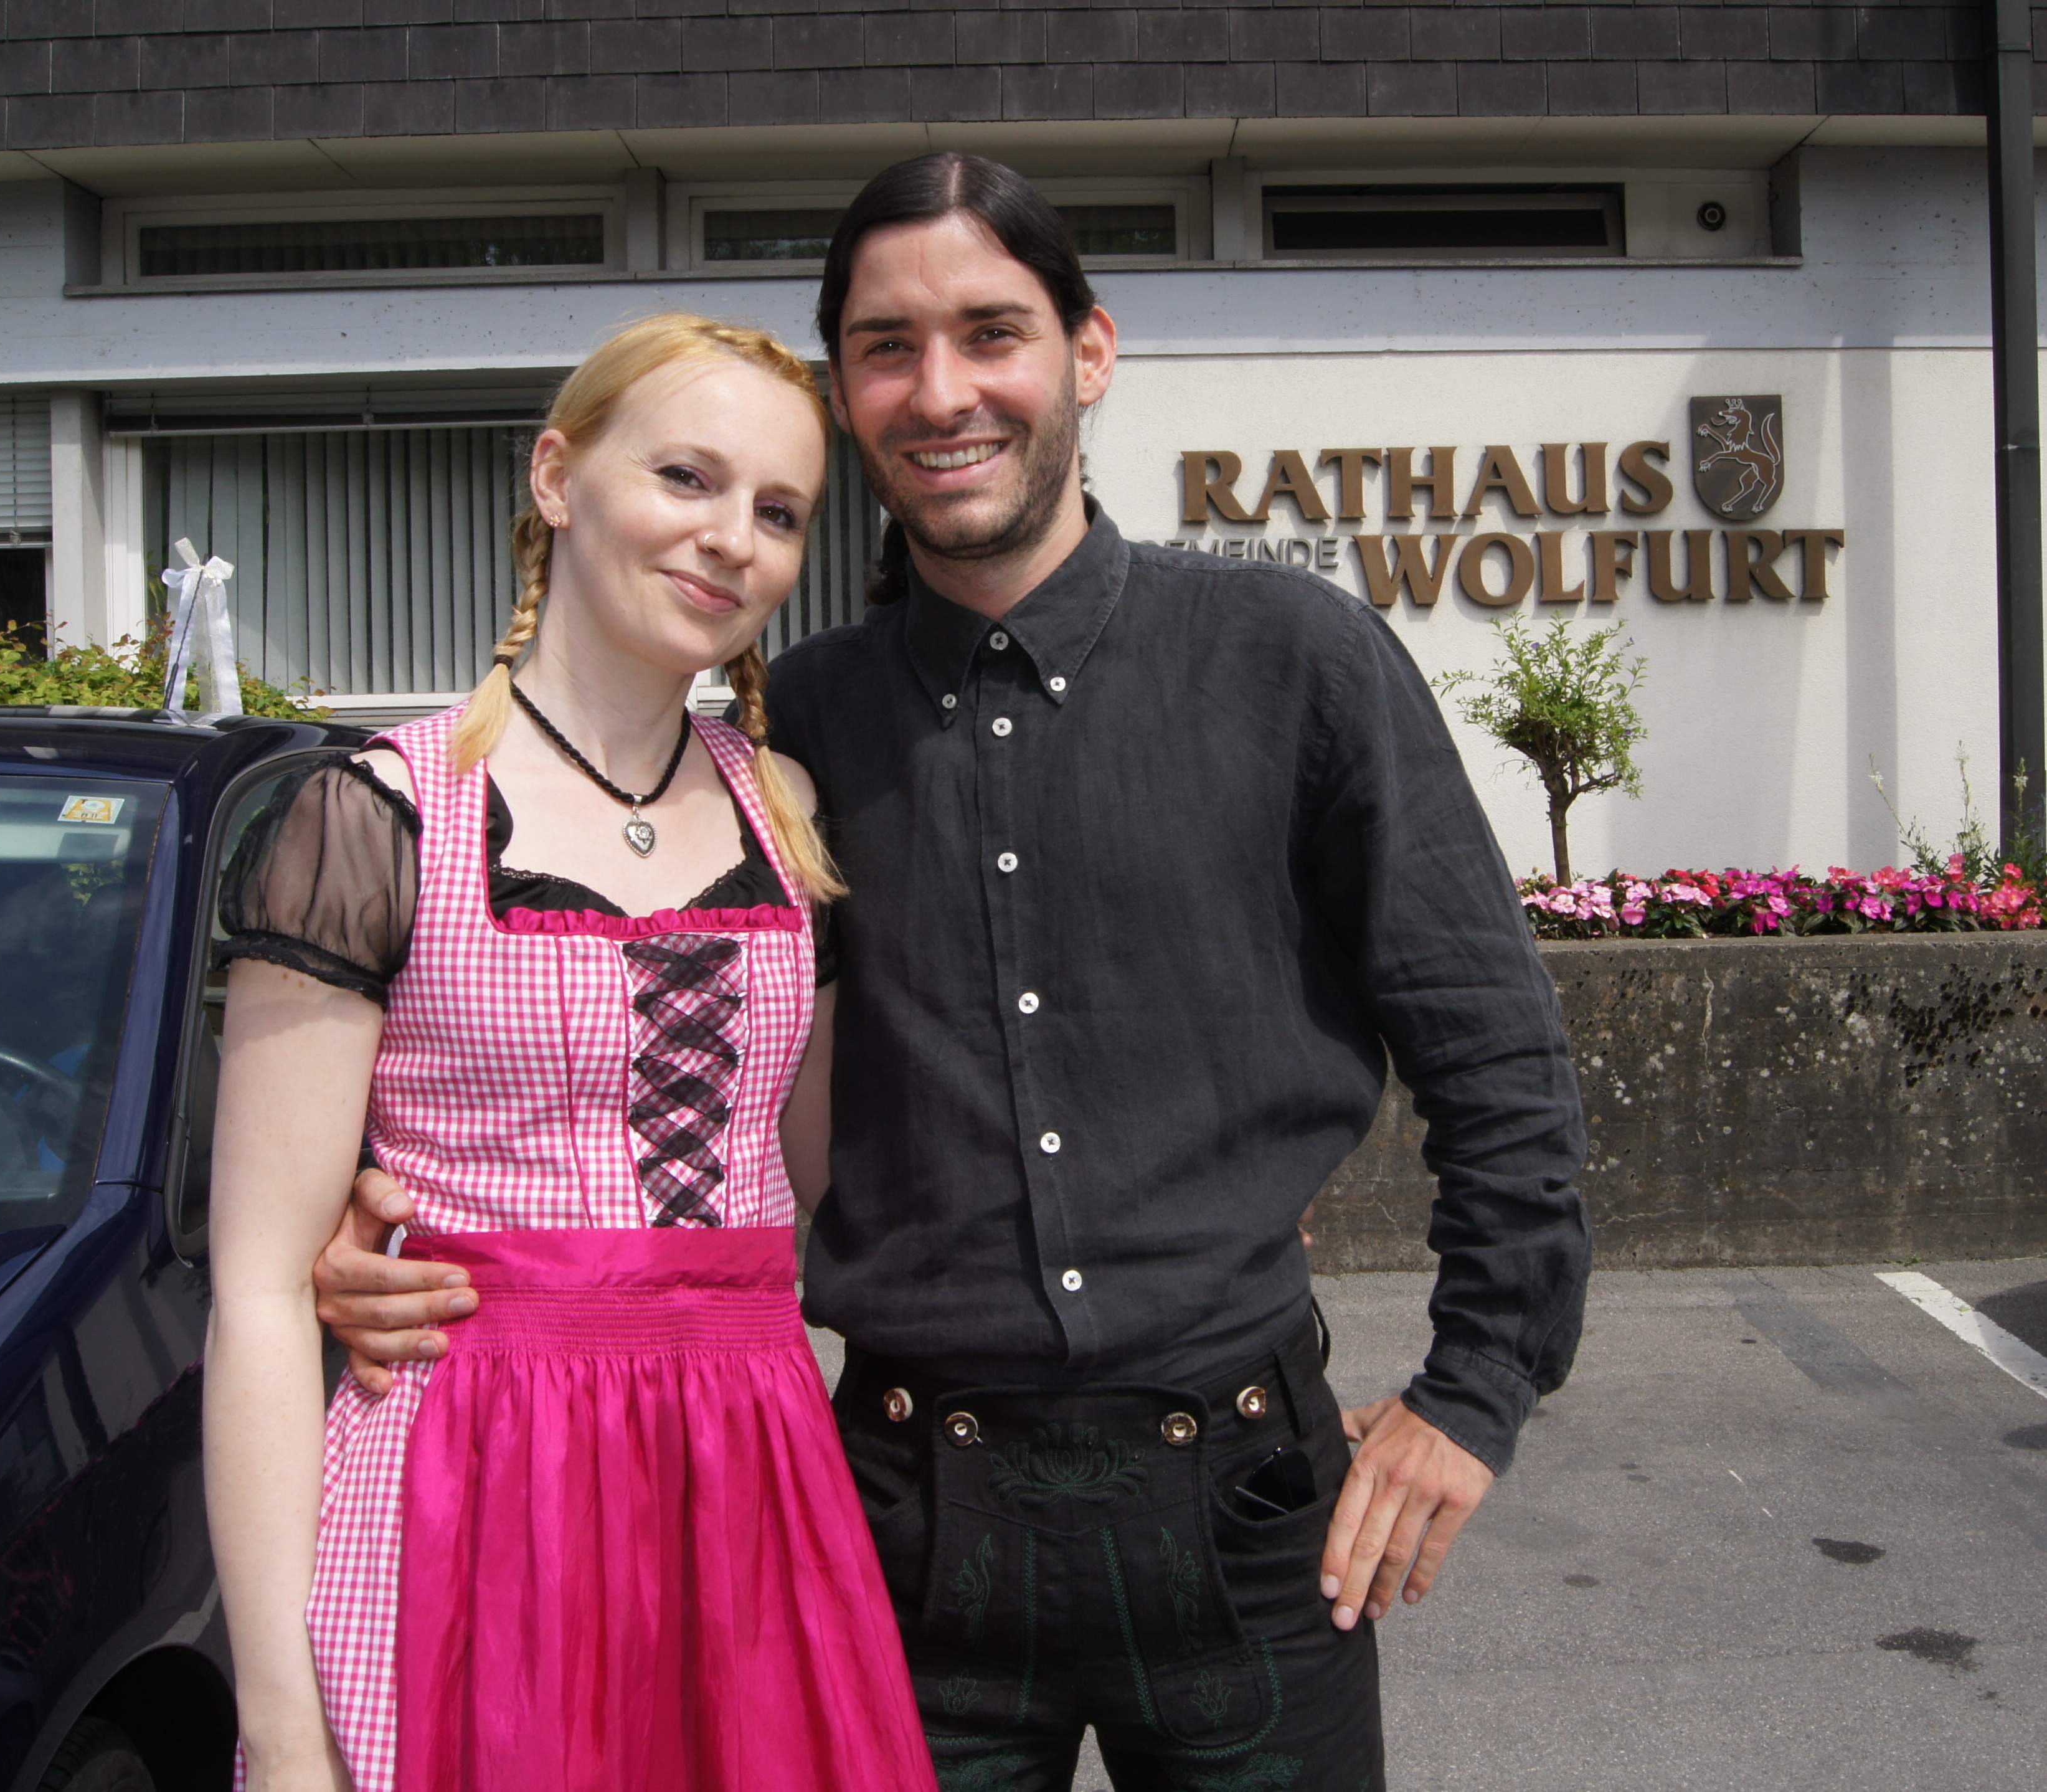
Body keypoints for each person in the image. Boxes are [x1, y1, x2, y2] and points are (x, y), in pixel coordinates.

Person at [318, 158, 1592, 1791]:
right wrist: (382, 1223)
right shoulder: (778, 744)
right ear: (846, 391)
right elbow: (591, 1042)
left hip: (1249, 1512)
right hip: (901, 1524)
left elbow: (1494, 1051)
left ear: (1088, 351)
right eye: (886, 347)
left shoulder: (1294, 659)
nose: (939, 391)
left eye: (991, 332)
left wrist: (1476, 1385)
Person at [202, 314, 938, 1792]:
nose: (731, 538)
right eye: (686, 476)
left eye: (779, 510)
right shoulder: (379, 811)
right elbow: (262, 1290)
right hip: (471, 1480)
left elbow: (838, 1185)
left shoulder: (792, 812)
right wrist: (279, 1727)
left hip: (746, 1483)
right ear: (557, 476)